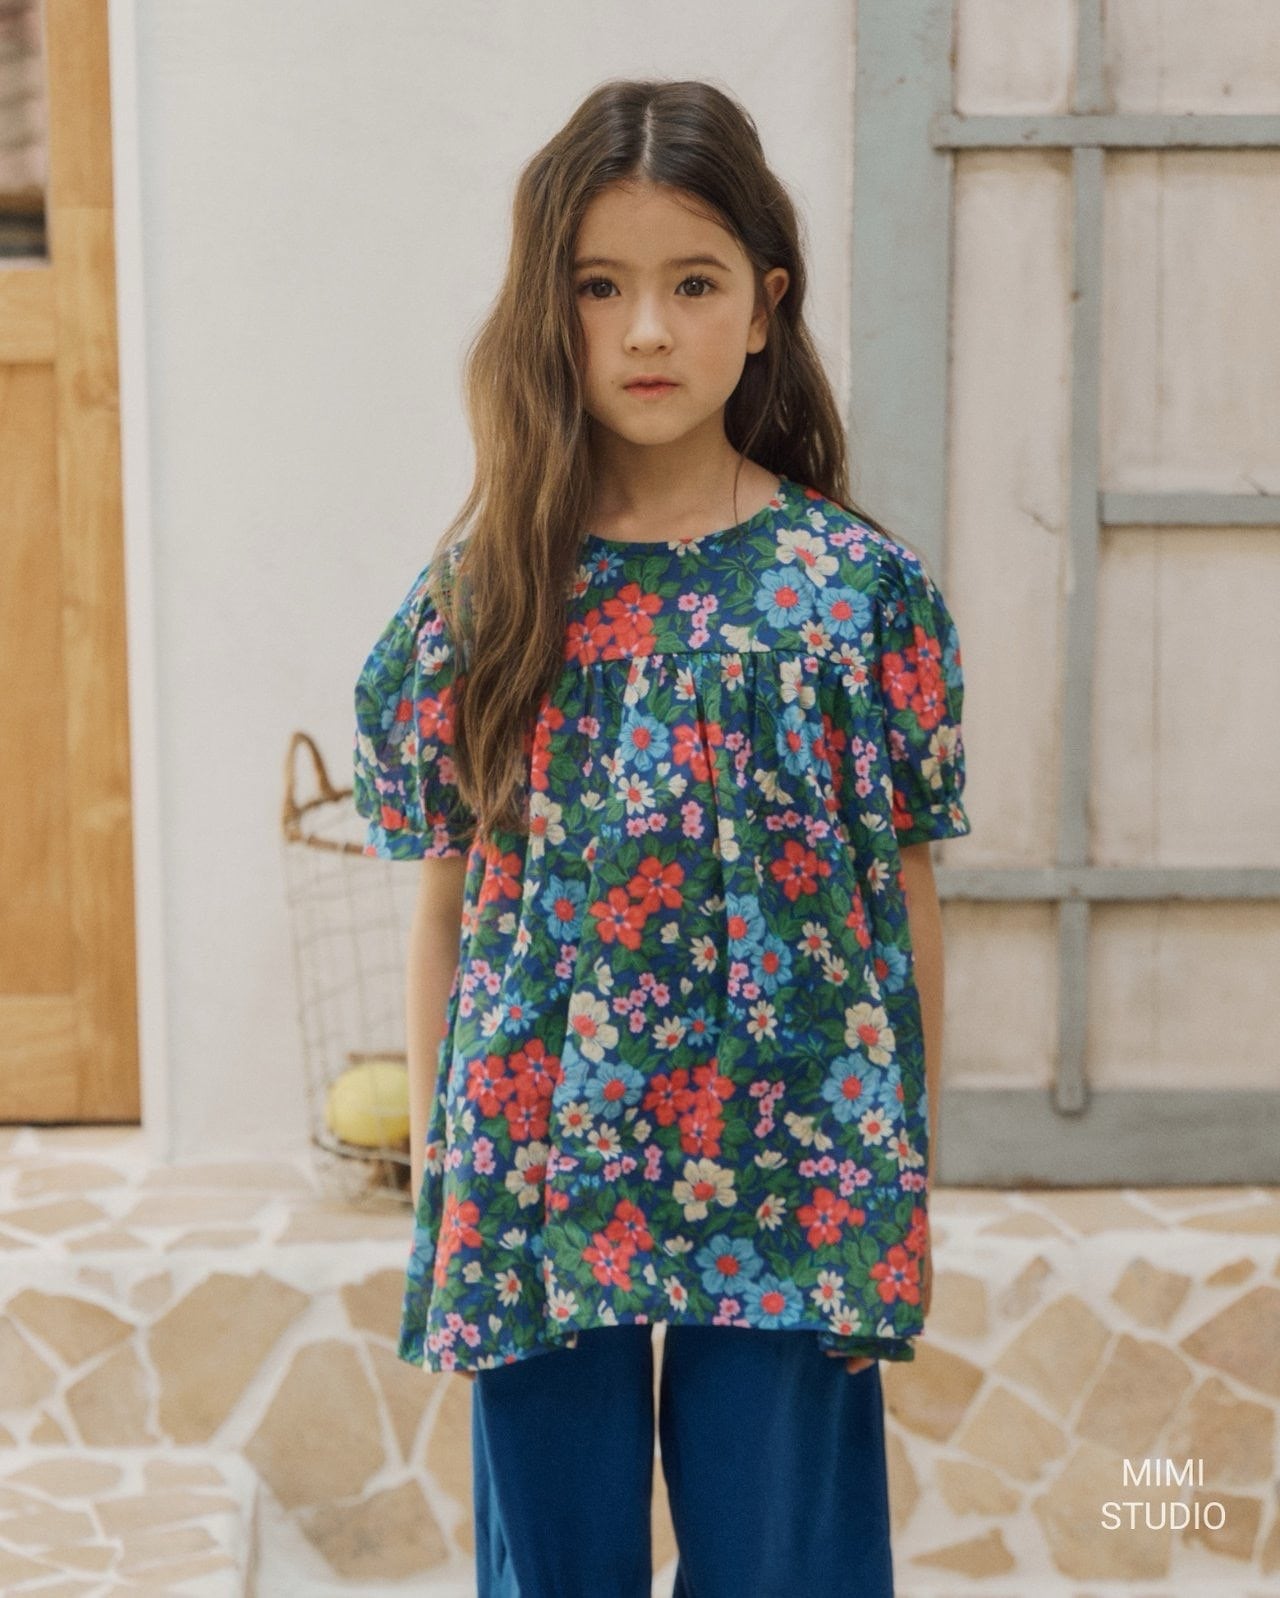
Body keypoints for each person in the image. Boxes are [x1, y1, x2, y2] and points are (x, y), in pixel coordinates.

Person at [352, 76, 971, 1598]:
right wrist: (445, 1171)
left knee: (785, 1567)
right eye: (599, 287)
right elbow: (443, 905)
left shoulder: (859, 595)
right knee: (554, 1569)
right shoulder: (487, 597)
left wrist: (902, 1168)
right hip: (535, 1155)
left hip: (798, 1154)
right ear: (548, 313)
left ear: (765, 307)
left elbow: (902, 896)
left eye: (693, 284)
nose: (645, 331)